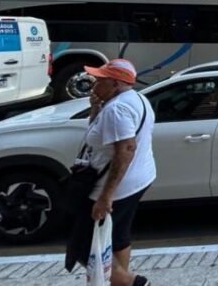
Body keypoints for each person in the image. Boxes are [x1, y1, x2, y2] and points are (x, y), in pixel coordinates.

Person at [65, 58, 156, 286]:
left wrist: (106, 196)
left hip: (112, 187)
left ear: (115, 83)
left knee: (84, 248)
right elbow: (102, 136)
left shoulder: (117, 109)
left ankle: (134, 283)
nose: (94, 83)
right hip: (138, 180)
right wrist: (95, 108)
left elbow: (126, 149)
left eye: (100, 80)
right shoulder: (137, 99)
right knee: (117, 236)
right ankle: (120, 281)